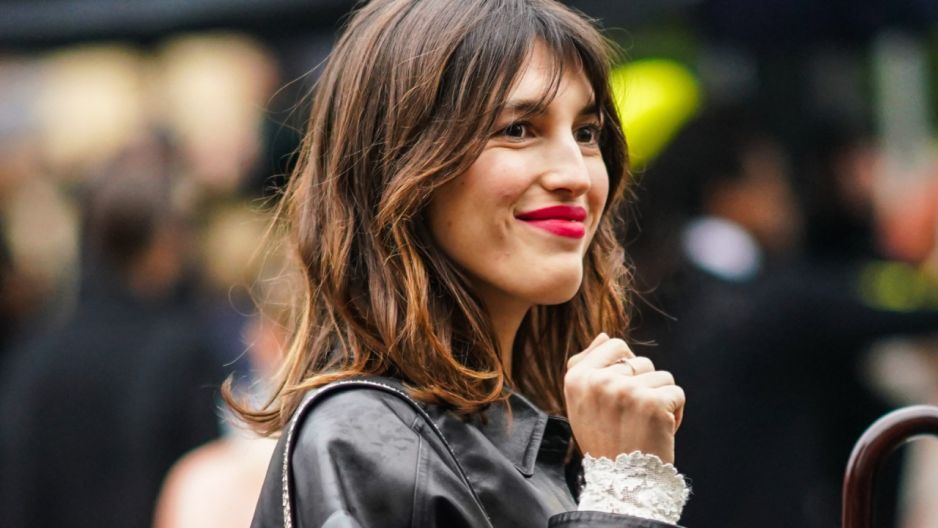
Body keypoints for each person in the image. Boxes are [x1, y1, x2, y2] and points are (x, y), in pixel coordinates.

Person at [231, 1, 690, 527]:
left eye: (586, 133)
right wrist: (627, 499)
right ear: (400, 163)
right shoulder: (363, 438)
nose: (575, 176)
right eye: (518, 129)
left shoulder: (530, 437)